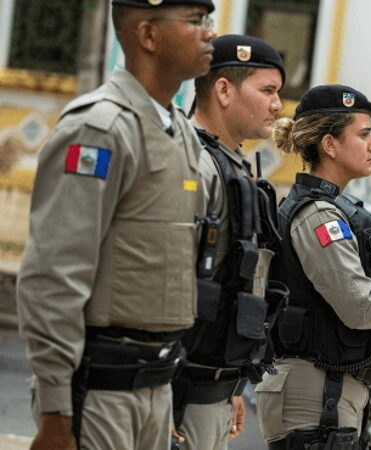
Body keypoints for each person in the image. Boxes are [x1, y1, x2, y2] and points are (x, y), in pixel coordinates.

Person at [16, 1, 216, 449]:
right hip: (100, 392)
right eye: (194, 21)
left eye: (208, 20)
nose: (209, 33)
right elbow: (54, 275)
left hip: (156, 386)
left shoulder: (181, 133)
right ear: (148, 35)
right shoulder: (100, 129)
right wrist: (56, 410)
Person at [255, 84, 371, 449]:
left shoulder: (330, 209)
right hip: (314, 398)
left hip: (328, 393)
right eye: (363, 134)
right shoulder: (319, 216)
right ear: (330, 145)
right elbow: (359, 306)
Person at [172, 34, 286, 450]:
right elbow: (169, 279)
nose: (278, 105)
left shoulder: (232, 164)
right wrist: (163, 396)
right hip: (180, 392)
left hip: (212, 386)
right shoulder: (193, 164)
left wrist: (233, 384)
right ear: (223, 90)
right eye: (267, 90)